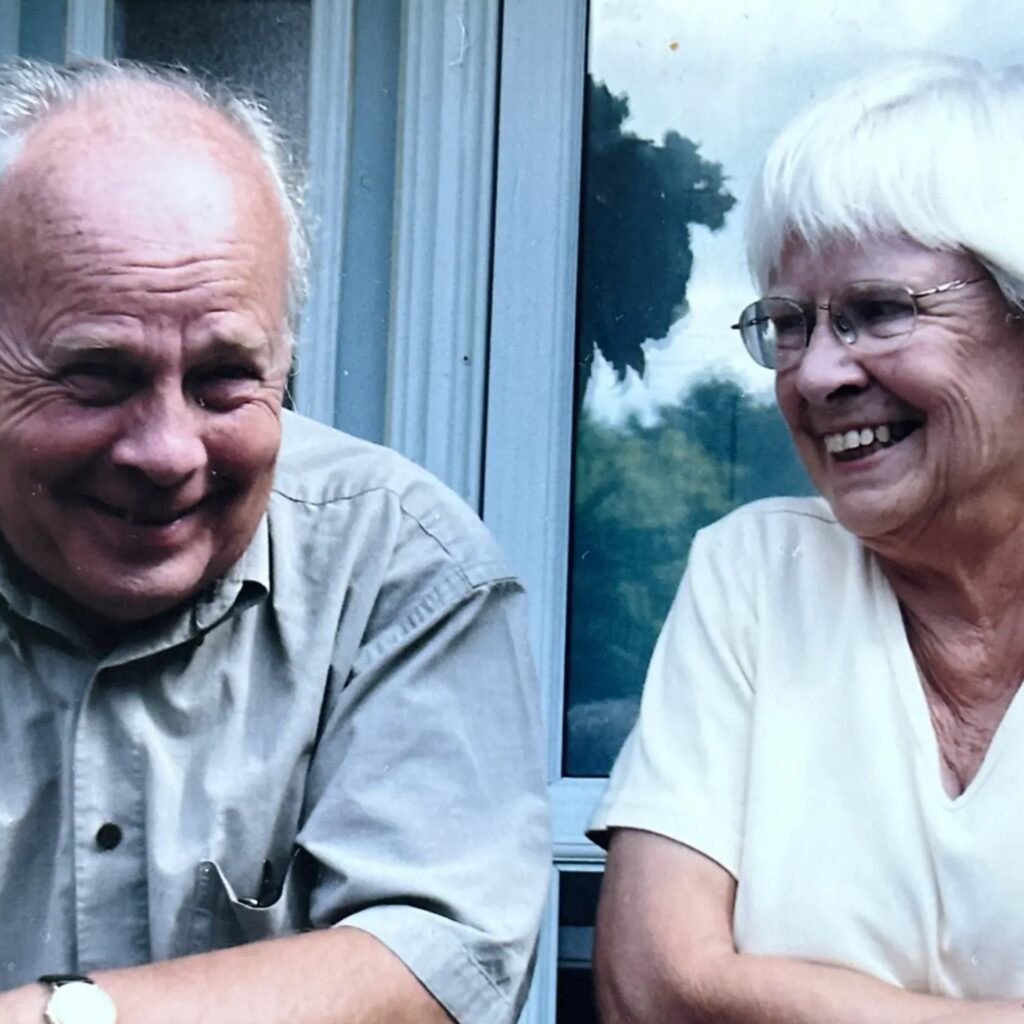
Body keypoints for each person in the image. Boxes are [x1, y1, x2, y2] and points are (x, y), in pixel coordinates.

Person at [0, 58, 549, 1024]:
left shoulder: (401, 566)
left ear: (287, 361)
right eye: (97, 376)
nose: (167, 451)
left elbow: (431, 970)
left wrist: (57, 1017)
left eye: (224, 380)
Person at [590, 56, 1024, 1024]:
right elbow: (650, 989)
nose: (818, 373)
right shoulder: (756, 573)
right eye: (788, 324)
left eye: (877, 311)